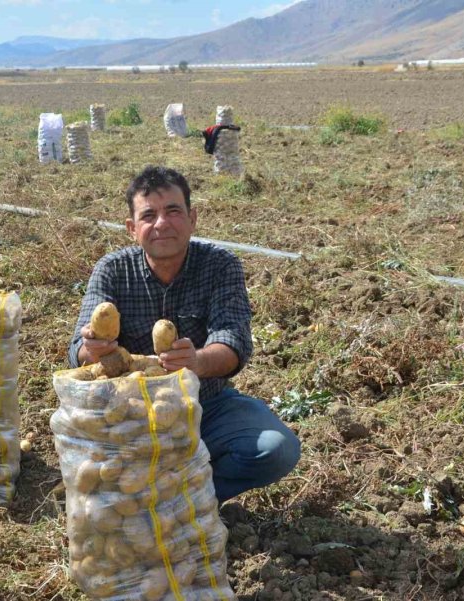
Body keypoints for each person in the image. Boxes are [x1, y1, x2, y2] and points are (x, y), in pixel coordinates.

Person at [69, 166, 300, 504]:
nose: (161, 223)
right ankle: (144, 496)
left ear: (192, 219)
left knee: (276, 449)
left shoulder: (220, 265)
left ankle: (188, 499)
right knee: (90, 468)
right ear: (132, 229)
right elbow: (78, 348)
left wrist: (196, 361)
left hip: (203, 406)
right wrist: (93, 348)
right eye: (149, 215)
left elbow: (233, 342)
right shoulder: (113, 270)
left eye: (173, 211)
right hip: (128, 417)